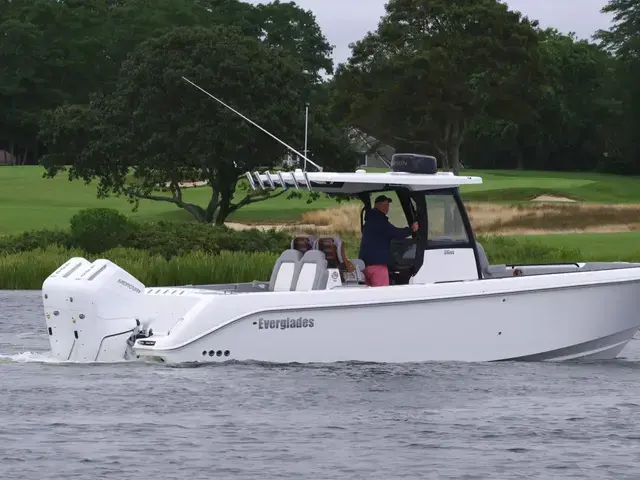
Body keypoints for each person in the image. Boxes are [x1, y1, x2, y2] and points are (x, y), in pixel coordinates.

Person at [358, 195, 419, 286]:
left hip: (365, 264)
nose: (387, 208)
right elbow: (396, 233)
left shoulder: (370, 219)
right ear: (378, 205)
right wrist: (411, 229)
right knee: (382, 294)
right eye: (385, 205)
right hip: (377, 264)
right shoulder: (380, 220)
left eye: (388, 205)